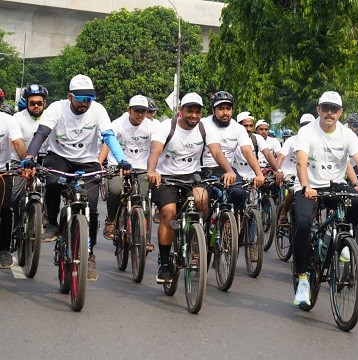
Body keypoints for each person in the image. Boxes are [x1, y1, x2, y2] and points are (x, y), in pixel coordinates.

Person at [20, 74, 132, 280]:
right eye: (81, 99)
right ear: (69, 96)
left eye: (89, 98)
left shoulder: (97, 110)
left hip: (87, 160)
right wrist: (29, 157)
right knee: (52, 183)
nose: (85, 103)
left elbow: (109, 136)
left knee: (91, 204)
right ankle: (53, 223)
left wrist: (122, 160)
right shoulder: (56, 108)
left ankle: (88, 254)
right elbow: (42, 133)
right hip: (59, 157)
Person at [292, 91, 358, 307]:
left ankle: (343, 241)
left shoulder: (347, 135)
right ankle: (303, 279)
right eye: (325, 108)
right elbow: (301, 162)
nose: (329, 113)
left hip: (335, 185)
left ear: (341, 113)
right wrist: (305, 186)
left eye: (334, 109)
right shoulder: (306, 132)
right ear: (318, 110)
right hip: (309, 187)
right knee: (303, 225)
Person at [147, 92, 236, 283]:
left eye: (197, 111)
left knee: (201, 199)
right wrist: (152, 170)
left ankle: (197, 240)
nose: (193, 115)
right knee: (169, 214)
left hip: (192, 176)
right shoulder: (166, 127)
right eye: (189, 111)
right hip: (167, 177)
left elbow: (216, 151)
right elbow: (155, 150)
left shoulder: (205, 129)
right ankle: (164, 264)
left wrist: (228, 170)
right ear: (181, 111)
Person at [98, 95, 156, 243]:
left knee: (143, 198)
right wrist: (99, 162)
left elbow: (158, 145)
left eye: (143, 111)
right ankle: (111, 220)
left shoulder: (151, 126)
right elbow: (107, 143)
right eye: (137, 110)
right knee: (116, 190)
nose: (140, 114)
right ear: (129, 110)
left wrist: (155, 168)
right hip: (117, 164)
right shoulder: (118, 124)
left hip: (141, 167)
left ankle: (144, 236)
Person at [200, 91, 264, 209]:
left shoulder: (238, 128)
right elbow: (216, 151)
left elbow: (247, 152)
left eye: (228, 109)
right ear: (213, 110)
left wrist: (259, 174)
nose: (225, 113)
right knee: (202, 200)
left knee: (240, 194)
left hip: (227, 170)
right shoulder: (203, 124)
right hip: (203, 170)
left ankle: (229, 220)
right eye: (221, 109)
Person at [11, 85, 49, 230]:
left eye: (39, 103)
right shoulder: (17, 118)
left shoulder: (50, 118)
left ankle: (45, 216)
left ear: (44, 103)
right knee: (14, 196)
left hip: (43, 161)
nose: (36, 106)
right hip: (20, 161)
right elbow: (15, 142)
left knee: (52, 188)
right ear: (27, 103)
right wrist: (26, 161)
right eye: (32, 103)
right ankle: (14, 224)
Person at [275, 113, 314, 225]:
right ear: (300, 127)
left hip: (308, 172)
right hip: (289, 172)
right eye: (304, 125)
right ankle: (283, 212)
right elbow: (280, 157)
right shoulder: (291, 140)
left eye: (310, 125)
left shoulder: (317, 140)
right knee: (293, 189)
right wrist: (279, 171)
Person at [0, 107, 26, 268]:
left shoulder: (8, 120)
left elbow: (18, 143)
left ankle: (3, 249)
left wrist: (27, 162)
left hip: (3, 172)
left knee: (5, 209)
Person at [235, 111, 282, 181]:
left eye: (251, 126)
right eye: (245, 126)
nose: (248, 129)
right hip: (236, 176)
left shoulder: (257, 138)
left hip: (254, 177)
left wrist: (278, 171)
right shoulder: (232, 139)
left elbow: (268, 154)